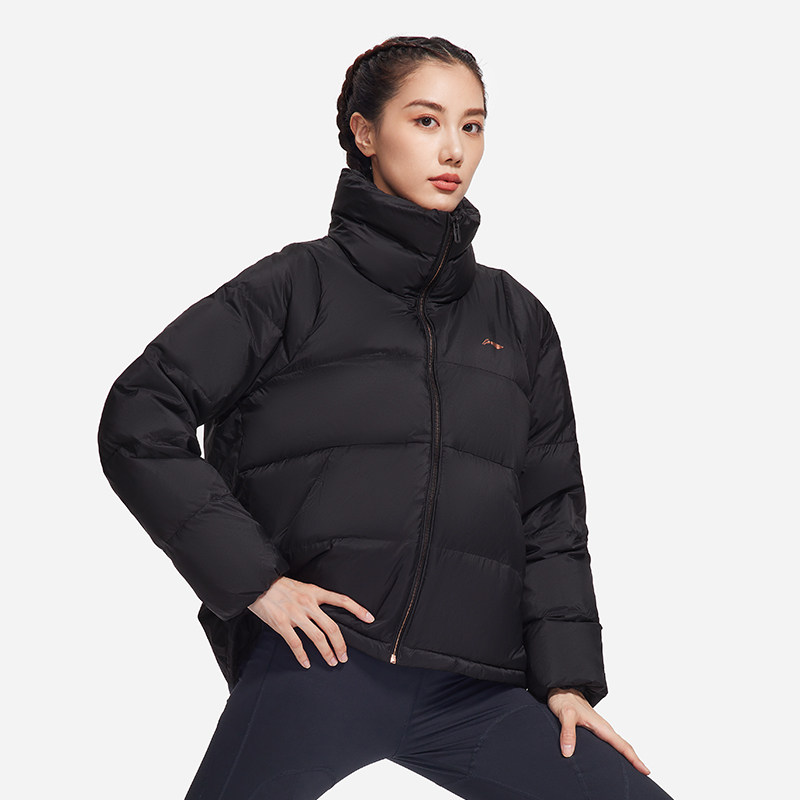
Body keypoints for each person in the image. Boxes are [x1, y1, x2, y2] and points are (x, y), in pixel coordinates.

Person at [97, 35, 675, 800]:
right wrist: (256, 581)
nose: (454, 149)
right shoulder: (294, 287)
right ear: (366, 133)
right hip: (322, 665)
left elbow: (550, 513)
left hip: (476, 688)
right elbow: (140, 416)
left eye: (472, 125)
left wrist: (566, 681)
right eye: (427, 120)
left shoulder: (518, 318)